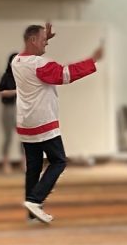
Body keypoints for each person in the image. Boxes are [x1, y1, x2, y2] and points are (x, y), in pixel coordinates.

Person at [12, 22, 102, 224]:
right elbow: (64, 75)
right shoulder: (39, 64)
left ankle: (32, 213)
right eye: (43, 40)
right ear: (33, 40)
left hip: (26, 122)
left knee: (34, 167)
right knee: (59, 161)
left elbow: (34, 59)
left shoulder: (16, 61)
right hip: (43, 121)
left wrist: (43, 40)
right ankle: (35, 200)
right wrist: (93, 60)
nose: (46, 44)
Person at [0, 52, 21, 174]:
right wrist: (15, 92)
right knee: (8, 137)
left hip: (21, 109)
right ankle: (5, 162)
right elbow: (1, 92)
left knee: (24, 136)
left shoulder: (22, 76)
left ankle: (25, 161)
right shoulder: (6, 77)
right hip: (8, 108)